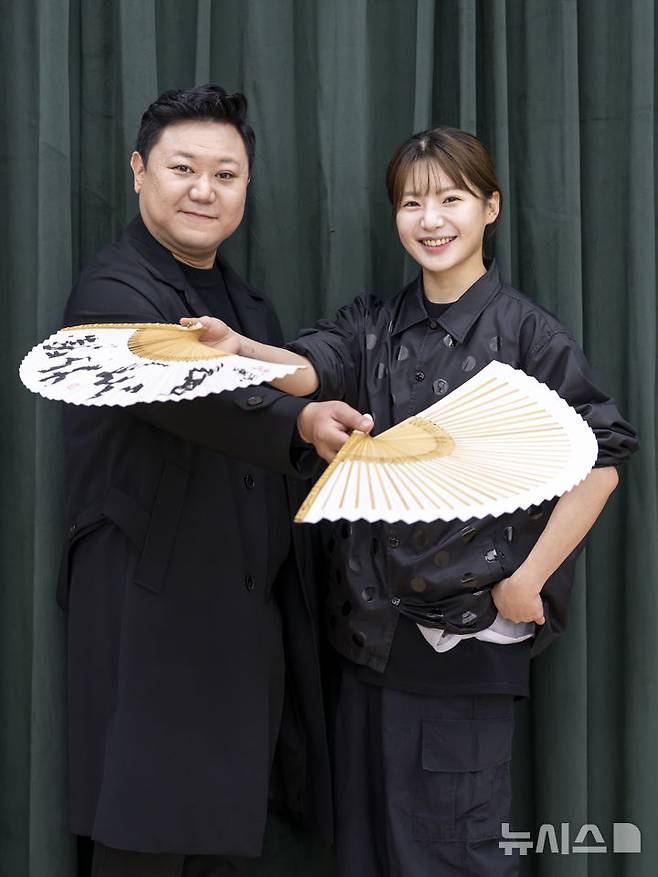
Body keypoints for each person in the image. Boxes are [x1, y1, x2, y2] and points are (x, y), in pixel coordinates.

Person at [189, 126, 638, 876]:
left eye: (451, 199)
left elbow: (603, 457)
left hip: (467, 647)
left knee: (451, 857)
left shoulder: (527, 333)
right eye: (412, 202)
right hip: (365, 646)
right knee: (366, 857)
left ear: (490, 208)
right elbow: (313, 366)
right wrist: (240, 348)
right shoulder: (374, 320)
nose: (430, 220)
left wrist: (528, 579)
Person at [60, 84, 371, 877]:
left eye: (226, 174)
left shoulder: (246, 303)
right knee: (143, 839)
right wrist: (299, 421)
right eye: (184, 168)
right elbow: (185, 388)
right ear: (139, 171)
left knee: (226, 848)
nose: (205, 190)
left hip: (240, 627)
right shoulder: (111, 290)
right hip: (147, 617)